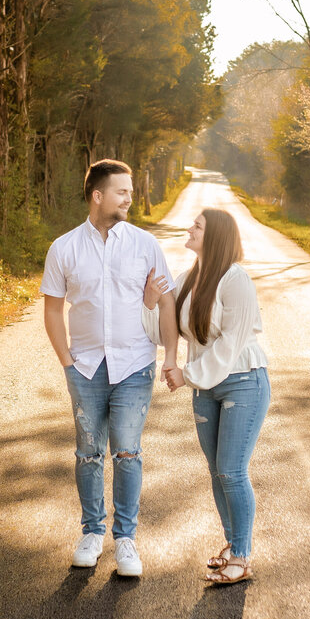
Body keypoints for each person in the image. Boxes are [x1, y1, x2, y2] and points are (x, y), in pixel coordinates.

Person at [41, 159, 179, 577]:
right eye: (122, 191)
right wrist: (67, 363)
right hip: (84, 368)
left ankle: (125, 540)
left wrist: (171, 355)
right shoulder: (63, 248)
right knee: (87, 454)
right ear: (98, 195)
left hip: (134, 366)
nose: (129, 197)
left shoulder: (144, 245)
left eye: (130, 191)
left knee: (128, 452)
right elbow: (52, 310)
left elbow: (168, 301)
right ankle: (91, 532)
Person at [142, 207, 269, 585]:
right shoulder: (188, 279)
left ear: (215, 236)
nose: (190, 228)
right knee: (217, 472)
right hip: (205, 389)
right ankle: (233, 545)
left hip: (243, 381)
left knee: (231, 470)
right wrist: (150, 301)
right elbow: (161, 329)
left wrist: (186, 374)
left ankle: (243, 557)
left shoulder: (236, 280)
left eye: (197, 226)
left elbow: (230, 347)